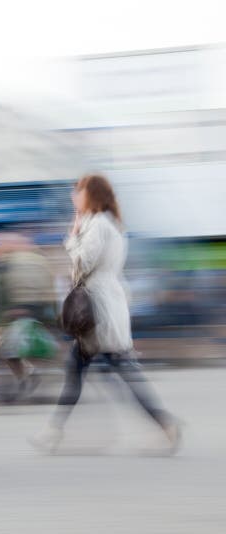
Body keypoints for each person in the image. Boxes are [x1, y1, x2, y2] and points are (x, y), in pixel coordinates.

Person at [32, 175, 182, 453]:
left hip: (98, 310)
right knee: (82, 370)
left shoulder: (98, 225)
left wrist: (72, 237)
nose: (74, 197)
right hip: (104, 306)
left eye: (79, 192)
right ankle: (53, 431)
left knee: (114, 372)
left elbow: (84, 262)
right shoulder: (107, 224)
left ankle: (166, 425)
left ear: (92, 196)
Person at [0, 233, 57, 402]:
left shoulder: (10, 262)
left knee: (8, 349)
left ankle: (26, 377)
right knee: (16, 349)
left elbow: (4, 290)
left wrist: (6, 314)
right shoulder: (36, 260)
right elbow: (49, 287)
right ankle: (28, 376)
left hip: (16, 311)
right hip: (30, 310)